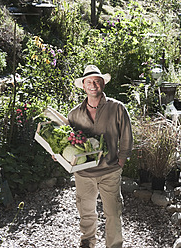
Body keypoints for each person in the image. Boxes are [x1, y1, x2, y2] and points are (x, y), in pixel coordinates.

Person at [68, 65, 133, 248]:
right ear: (83, 86)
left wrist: (121, 160)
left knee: (113, 212)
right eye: (89, 82)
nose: (93, 85)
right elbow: (69, 142)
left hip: (110, 171)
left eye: (97, 81)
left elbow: (127, 135)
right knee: (86, 211)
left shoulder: (117, 108)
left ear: (103, 83)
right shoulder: (74, 114)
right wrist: (60, 157)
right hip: (84, 174)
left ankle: (114, 245)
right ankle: (88, 242)